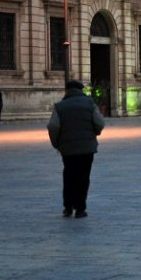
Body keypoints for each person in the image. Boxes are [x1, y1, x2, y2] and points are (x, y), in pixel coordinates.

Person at [47, 80, 105, 218]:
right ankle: (80, 209)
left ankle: (67, 207)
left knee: (69, 175)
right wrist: (94, 133)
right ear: (81, 90)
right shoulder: (90, 104)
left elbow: (53, 126)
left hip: (68, 148)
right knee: (83, 177)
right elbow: (100, 122)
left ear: (67, 90)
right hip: (87, 148)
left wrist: (57, 143)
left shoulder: (60, 106)